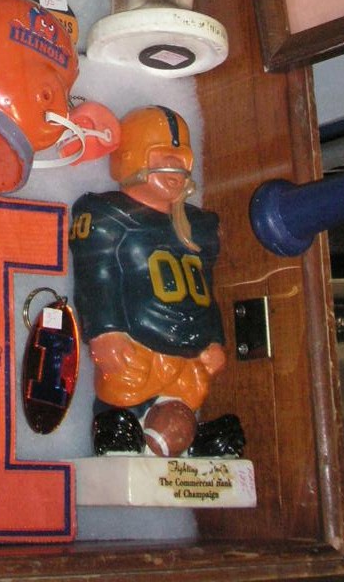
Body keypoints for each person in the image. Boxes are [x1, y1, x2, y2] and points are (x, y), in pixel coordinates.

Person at [69, 105, 243, 457]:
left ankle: (184, 439)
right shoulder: (108, 215)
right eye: (164, 157)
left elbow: (205, 287)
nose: (176, 167)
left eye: (182, 159)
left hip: (189, 351)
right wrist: (105, 330)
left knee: (185, 405)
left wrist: (213, 337)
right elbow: (97, 276)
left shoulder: (197, 225)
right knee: (123, 397)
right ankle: (120, 430)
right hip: (136, 344)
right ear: (130, 158)